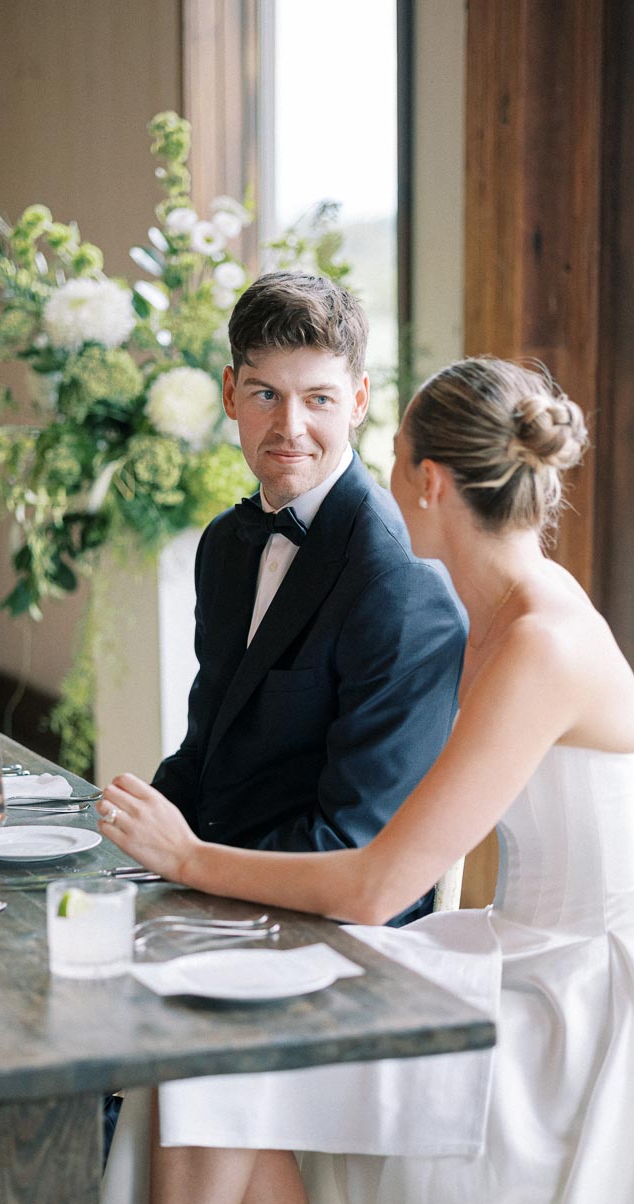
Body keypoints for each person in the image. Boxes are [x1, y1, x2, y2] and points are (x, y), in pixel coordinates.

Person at [99, 356, 634, 1204]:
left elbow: (380, 883)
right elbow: (417, 836)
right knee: (209, 1026)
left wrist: (191, 855)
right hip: (513, 951)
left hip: (586, 1008)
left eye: (388, 461)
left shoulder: (542, 640)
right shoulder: (490, 604)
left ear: (428, 481)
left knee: (224, 1047)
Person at [150, 270, 466, 927]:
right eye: (267, 393)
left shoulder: (399, 583)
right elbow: (204, 755)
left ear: (357, 401)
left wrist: (193, 868)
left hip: (334, 934)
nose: (290, 427)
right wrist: (121, 843)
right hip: (220, 897)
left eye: (318, 399)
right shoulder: (223, 545)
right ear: (232, 394)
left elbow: (359, 843)